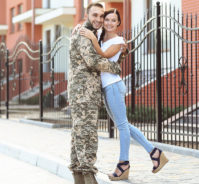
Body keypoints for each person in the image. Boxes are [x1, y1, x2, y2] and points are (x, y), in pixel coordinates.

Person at [79, 8, 169, 181]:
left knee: (122, 126)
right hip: (107, 88)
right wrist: (83, 30)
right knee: (124, 125)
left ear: (118, 23)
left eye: (114, 20)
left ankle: (123, 165)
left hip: (113, 86)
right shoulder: (100, 37)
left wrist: (91, 38)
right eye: (107, 20)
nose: (109, 23)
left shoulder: (119, 41)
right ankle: (155, 153)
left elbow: (104, 55)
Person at [68, 3, 126, 184]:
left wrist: (122, 53)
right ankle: (88, 177)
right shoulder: (84, 34)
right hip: (83, 94)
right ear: (87, 15)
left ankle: (78, 176)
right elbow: (93, 61)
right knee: (87, 135)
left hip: (85, 94)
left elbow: (106, 50)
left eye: (102, 16)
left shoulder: (92, 34)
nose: (99, 20)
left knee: (78, 134)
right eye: (95, 15)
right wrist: (116, 67)